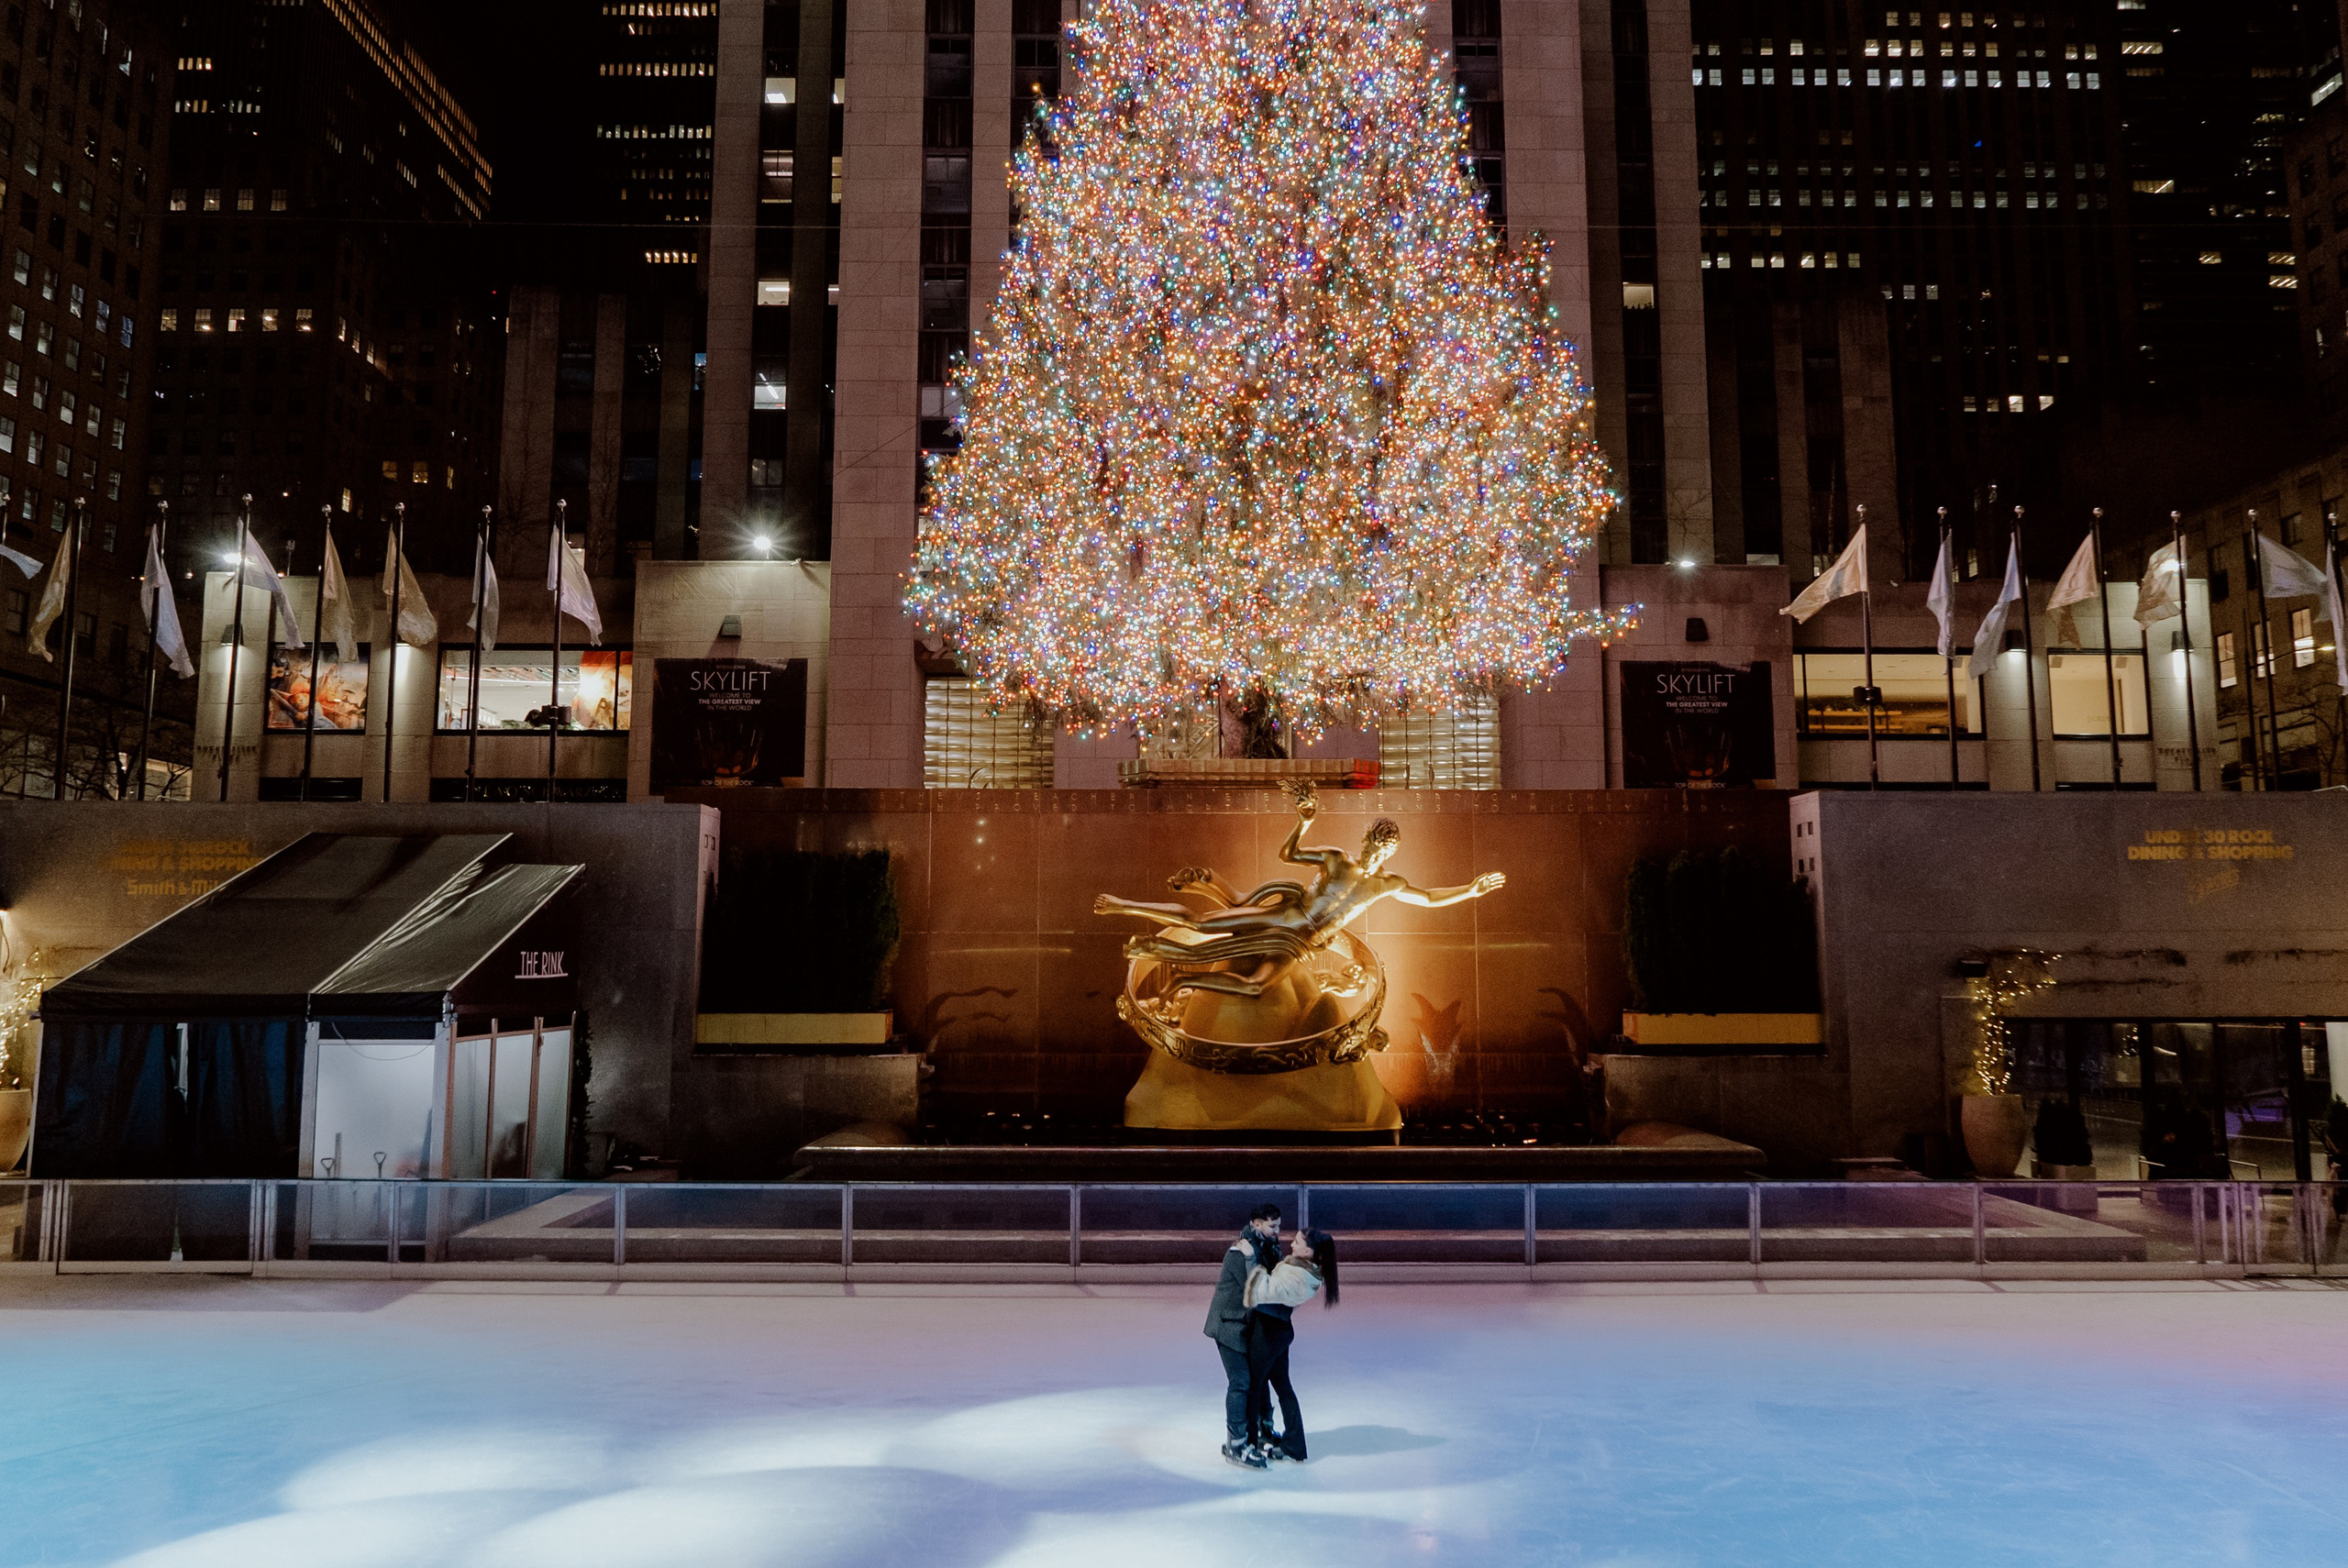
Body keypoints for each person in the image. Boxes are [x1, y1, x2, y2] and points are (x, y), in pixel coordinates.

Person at [1243, 1227, 1339, 1463]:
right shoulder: (1300, 1270)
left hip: (1270, 1333)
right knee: (1281, 1386)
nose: (1292, 1244)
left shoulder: (1300, 1277)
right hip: (1277, 1331)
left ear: (1308, 1251)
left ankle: (1250, 1442)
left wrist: (1251, 1260)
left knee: (1254, 1385)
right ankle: (1291, 1443)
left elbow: (1264, 1291)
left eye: (1297, 1242)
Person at [1204, 1202, 1283, 1468]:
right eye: (1273, 1226)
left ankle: (1262, 1430)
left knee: (1258, 1379)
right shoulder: (1240, 1252)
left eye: (1279, 1225)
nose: (1277, 1231)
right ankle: (1236, 1444)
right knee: (1241, 1382)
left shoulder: (1267, 1246)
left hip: (1247, 1326)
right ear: (1256, 1224)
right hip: (1229, 1326)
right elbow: (1257, 1289)